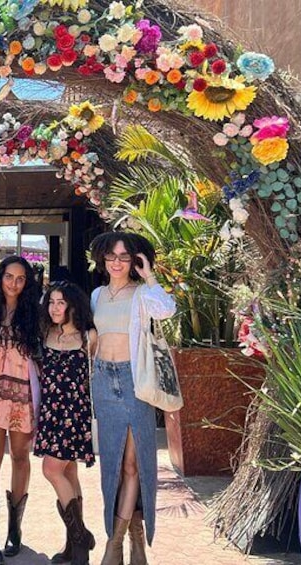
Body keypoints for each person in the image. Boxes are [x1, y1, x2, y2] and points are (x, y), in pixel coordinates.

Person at [88, 232, 176, 565]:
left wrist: (149, 274)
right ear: (103, 259)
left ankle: (115, 543)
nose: (117, 262)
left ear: (135, 260)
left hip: (134, 381)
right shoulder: (97, 295)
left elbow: (167, 309)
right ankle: (135, 540)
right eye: (112, 256)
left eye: (125, 257)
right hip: (103, 381)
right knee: (112, 464)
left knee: (132, 463)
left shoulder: (142, 294)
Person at [0, 255, 41, 565]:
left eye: (20, 278)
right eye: (9, 276)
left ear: (27, 283)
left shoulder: (35, 314)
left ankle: (15, 528)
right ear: (0, 277)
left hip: (22, 394)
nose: (13, 283)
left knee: (20, 457)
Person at [34, 281, 97, 565]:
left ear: (73, 305)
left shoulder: (88, 337)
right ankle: (75, 545)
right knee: (69, 475)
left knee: (51, 469)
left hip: (75, 414)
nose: (55, 308)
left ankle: (79, 537)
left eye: (61, 302)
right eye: (51, 302)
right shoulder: (46, 333)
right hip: (51, 413)